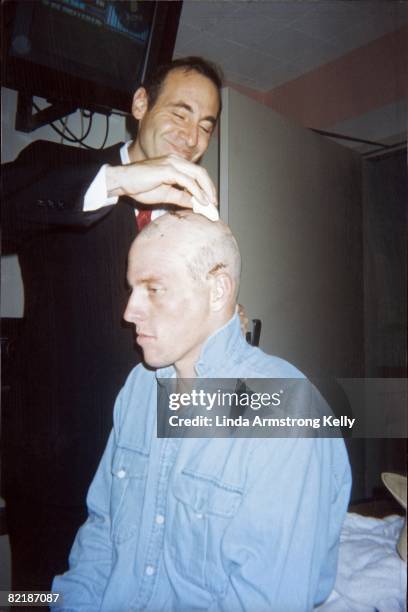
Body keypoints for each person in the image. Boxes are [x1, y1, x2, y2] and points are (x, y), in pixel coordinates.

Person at [53, 212, 351, 611]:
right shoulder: (139, 388)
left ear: (217, 291)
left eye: (153, 289)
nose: (129, 311)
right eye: (132, 289)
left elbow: (265, 600)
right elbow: (101, 533)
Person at [1, 56, 222, 590]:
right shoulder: (61, 168)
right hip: (56, 468)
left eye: (206, 125)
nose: (191, 137)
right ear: (141, 105)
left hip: (150, 472)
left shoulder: (192, 219)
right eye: (181, 113)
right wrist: (118, 181)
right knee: (36, 599)